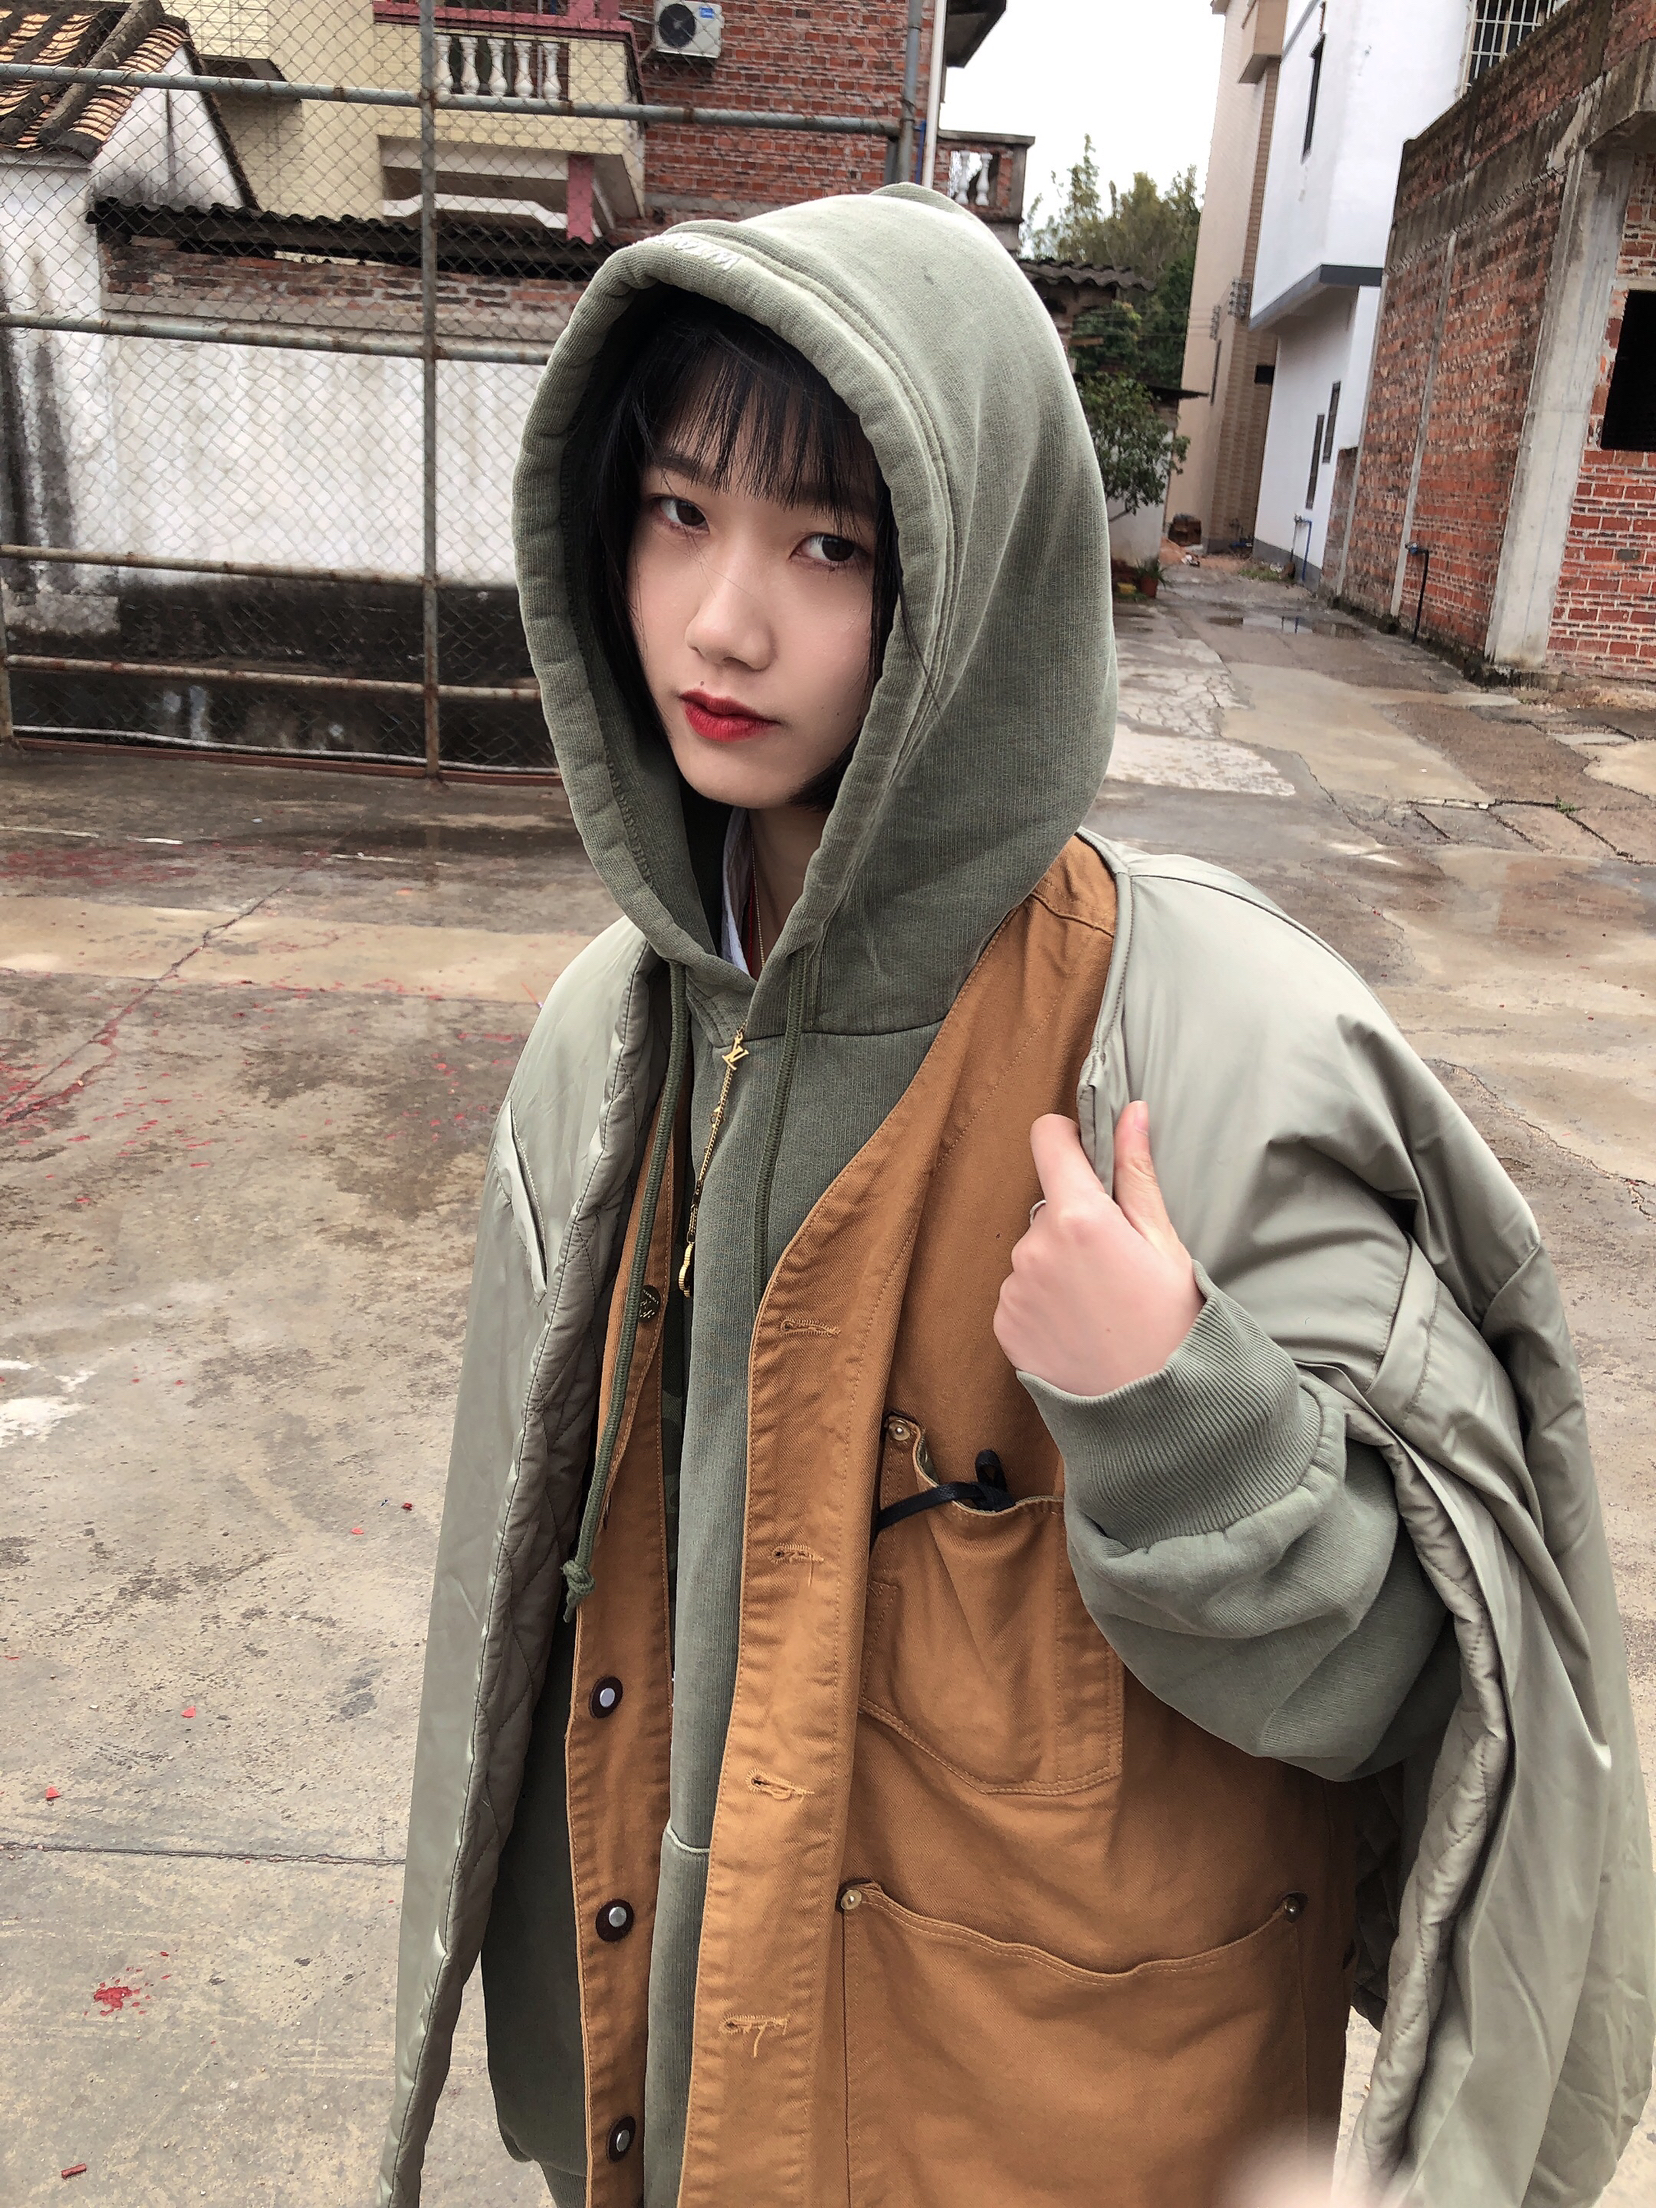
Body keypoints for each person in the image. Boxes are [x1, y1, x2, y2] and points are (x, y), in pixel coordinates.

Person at [377, 189, 1653, 2208]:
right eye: (679, 514)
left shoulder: (1220, 1046)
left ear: (978, 577)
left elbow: (1433, 1698)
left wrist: (1180, 1416)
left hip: (1052, 2133)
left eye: (829, 545)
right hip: (678, 2090)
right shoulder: (604, 1039)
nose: (724, 621)